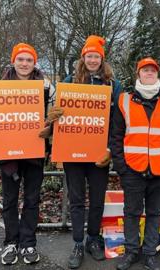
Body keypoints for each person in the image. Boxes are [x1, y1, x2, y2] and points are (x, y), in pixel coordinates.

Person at [111, 57, 160, 270]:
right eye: (145, 70)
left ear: (157, 74)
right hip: (132, 168)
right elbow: (116, 137)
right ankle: (132, 252)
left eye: (152, 70)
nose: (149, 73)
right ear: (138, 74)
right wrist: (121, 168)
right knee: (131, 212)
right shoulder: (124, 100)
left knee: (154, 213)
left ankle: (150, 253)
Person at [60, 35, 122, 269]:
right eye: (89, 56)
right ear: (83, 58)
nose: (93, 60)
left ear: (102, 58)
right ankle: (77, 242)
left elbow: (118, 121)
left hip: (99, 152)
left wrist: (110, 149)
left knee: (97, 199)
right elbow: (60, 115)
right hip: (73, 152)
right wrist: (55, 114)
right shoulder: (69, 80)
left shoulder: (112, 85)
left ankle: (93, 239)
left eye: (96, 56)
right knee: (76, 199)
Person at [0, 43, 62, 265]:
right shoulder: (1, 86)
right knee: (9, 200)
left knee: (32, 199)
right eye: (21, 59)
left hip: (35, 151)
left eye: (29, 60)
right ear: (13, 61)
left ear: (35, 63)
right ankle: (10, 243)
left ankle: (28, 243)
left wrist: (50, 125)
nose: (24, 64)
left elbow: (55, 116)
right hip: (8, 153)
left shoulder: (46, 87)